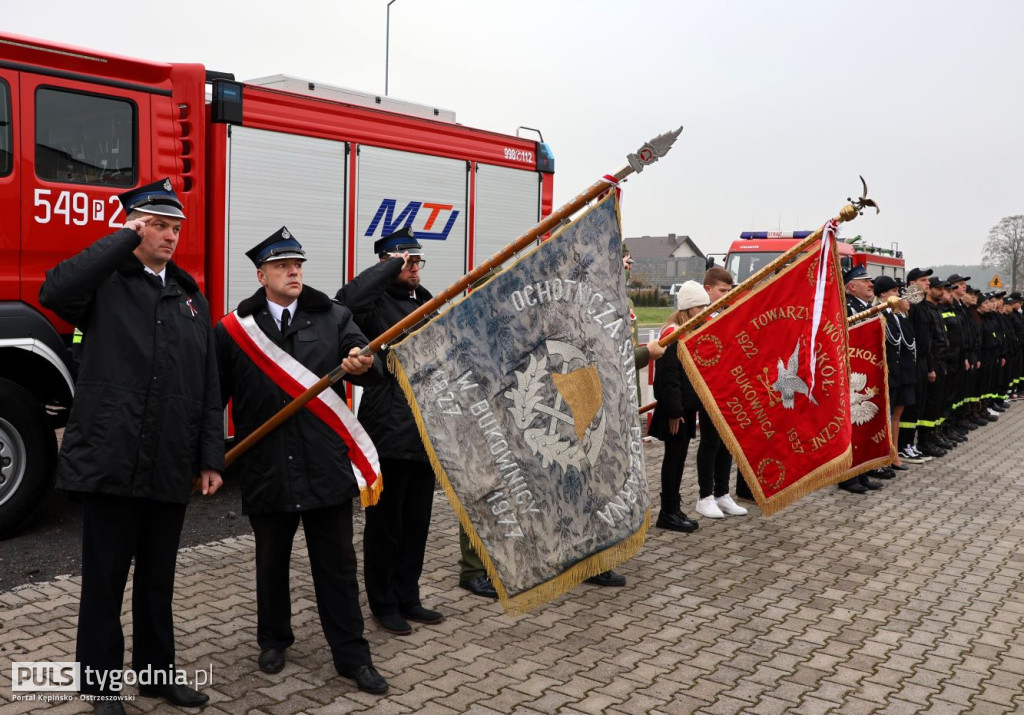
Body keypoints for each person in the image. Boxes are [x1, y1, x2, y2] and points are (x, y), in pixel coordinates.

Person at [38, 179, 223, 714]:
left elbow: (207, 386)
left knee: (157, 582)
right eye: (159, 225)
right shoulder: (104, 285)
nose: (170, 236)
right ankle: (100, 688)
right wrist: (121, 240)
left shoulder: (190, 297)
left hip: (168, 462)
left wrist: (210, 456)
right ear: (134, 226)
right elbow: (55, 290)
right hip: (111, 458)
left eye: (175, 227)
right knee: (104, 582)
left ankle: (156, 674)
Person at [214, 228, 389, 695]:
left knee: (336, 566)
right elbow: (213, 397)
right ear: (261, 274)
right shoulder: (233, 330)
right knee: (270, 562)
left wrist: (363, 361)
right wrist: (210, 458)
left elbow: (373, 367)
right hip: (267, 468)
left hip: (323, 466)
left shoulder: (334, 317)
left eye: (298, 265)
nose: (293, 272)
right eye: (282, 266)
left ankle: (353, 656)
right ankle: (273, 640)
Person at [335, 228, 446, 635]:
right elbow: (345, 301)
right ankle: (383, 603)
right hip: (387, 428)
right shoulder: (374, 303)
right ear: (387, 263)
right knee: (386, 526)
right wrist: (387, 270)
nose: (415, 269)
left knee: (417, 522)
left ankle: (408, 596)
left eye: (418, 262)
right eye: (407, 262)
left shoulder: (425, 302)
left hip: (425, 430)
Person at [648, 282, 705, 532]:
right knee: (673, 459)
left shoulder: (688, 329)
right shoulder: (673, 334)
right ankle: (667, 512)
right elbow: (667, 377)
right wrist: (675, 412)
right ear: (688, 308)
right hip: (676, 411)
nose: (704, 310)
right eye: (700, 306)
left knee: (680, 458)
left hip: (684, 408)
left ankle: (674, 507)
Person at [693, 267, 748, 519]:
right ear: (708, 290)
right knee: (710, 442)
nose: (727, 295)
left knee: (727, 442)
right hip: (708, 387)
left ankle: (721, 493)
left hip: (729, 386)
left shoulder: (728, 312)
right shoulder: (699, 316)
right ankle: (704, 497)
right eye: (722, 291)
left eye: (729, 290)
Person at [838, 266, 884, 493]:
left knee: (865, 426)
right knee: (853, 427)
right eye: (865, 281)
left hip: (868, 371)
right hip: (853, 373)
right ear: (852, 286)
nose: (870, 285)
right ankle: (848, 476)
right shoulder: (846, 307)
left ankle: (862, 472)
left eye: (870, 281)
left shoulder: (870, 308)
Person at [874, 276, 915, 474]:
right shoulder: (879, 314)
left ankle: (894, 452)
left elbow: (907, 341)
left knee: (897, 413)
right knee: (885, 416)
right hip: (886, 372)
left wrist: (903, 312)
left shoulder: (896, 316)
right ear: (883, 294)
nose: (898, 295)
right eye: (894, 292)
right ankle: (884, 455)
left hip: (899, 372)